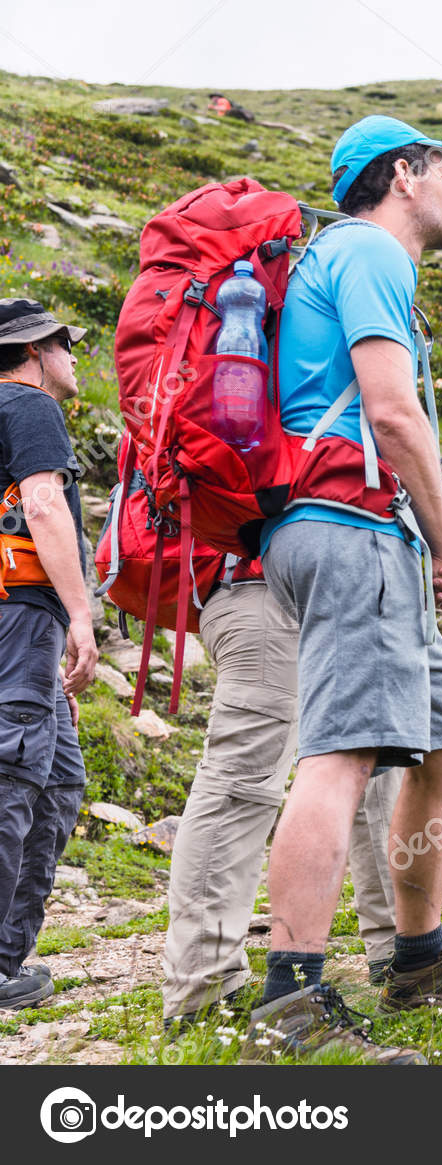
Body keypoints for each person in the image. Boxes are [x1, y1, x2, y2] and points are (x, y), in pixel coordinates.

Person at [246, 116, 442, 1064]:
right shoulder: (369, 250)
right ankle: (291, 1005)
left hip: (353, 534)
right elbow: (392, 412)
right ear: (403, 175)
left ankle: (417, 961)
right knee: (340, 757)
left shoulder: (342, 257)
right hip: (352, 529)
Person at [160, 567, 404, 1028]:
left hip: (332, 601)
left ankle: (398, 954)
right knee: (240, 788)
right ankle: (201, 987)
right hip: (263, 592)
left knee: (368, 765)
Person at [0, 300, 97, 1011]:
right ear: (35, 349)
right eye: (67, 344)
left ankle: (9, 959)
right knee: (12, 778)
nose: (74, 357)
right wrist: (81, 612)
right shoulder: (27, 406)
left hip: (20, 621)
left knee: (58, 780)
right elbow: (42, 506)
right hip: (21, 620)